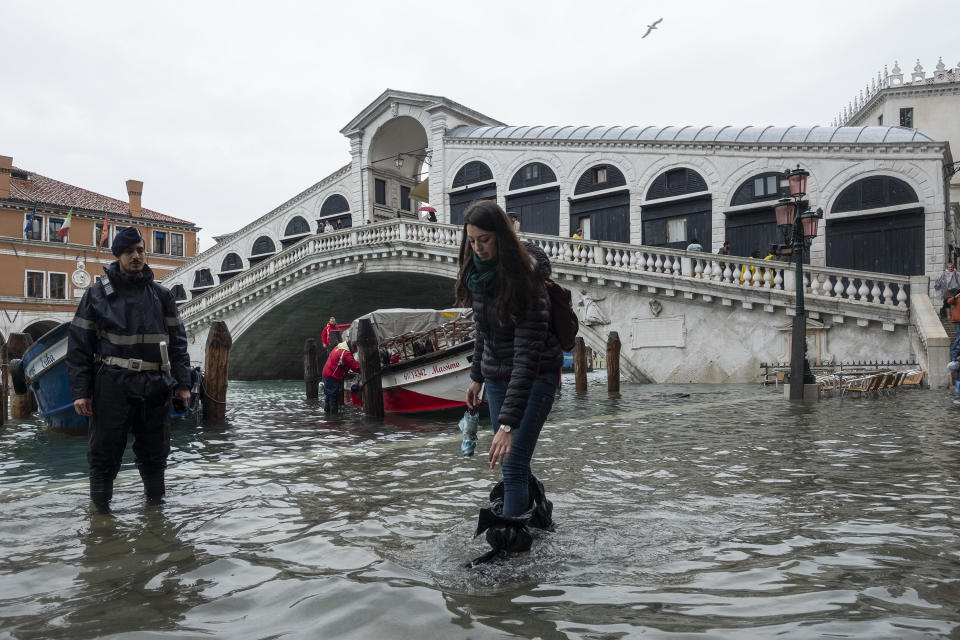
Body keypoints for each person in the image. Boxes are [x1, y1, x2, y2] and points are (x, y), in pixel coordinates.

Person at [456, 200, 563, 560]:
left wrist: (506, 423)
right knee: (512, 461)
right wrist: (476, 376)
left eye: (484, 240)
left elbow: (526, 357)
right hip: (499, 376)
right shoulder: (478, 274)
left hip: (535, 377)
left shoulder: (526, 280)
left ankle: (511, 549)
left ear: (502, 236)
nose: (477, 248)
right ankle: (533, 523)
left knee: (513, 461)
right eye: (471, 241)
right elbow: (484, 329)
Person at [67, 227, 191, 514]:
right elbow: (79, 347)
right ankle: (100, 519)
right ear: (119, 256)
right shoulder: (96, 295)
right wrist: (80, 392)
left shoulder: (161, 296)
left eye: (140, 250)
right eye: (129, 252)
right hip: (112, 384)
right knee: (104, 454)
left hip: (154, 384)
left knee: (155, 454)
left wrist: (182, 385)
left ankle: (156, 514)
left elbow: (178, 344)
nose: (136, 256)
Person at [321, 340, 360, 413]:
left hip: (326, 374)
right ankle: (334, 419)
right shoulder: (346, 354)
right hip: (332, 376)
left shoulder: (339, 347)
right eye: (356, 350)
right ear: (353, 347)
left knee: (329, 396)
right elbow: (356, 367)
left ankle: (327, 416)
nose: (355, 352)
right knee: (333, 396)